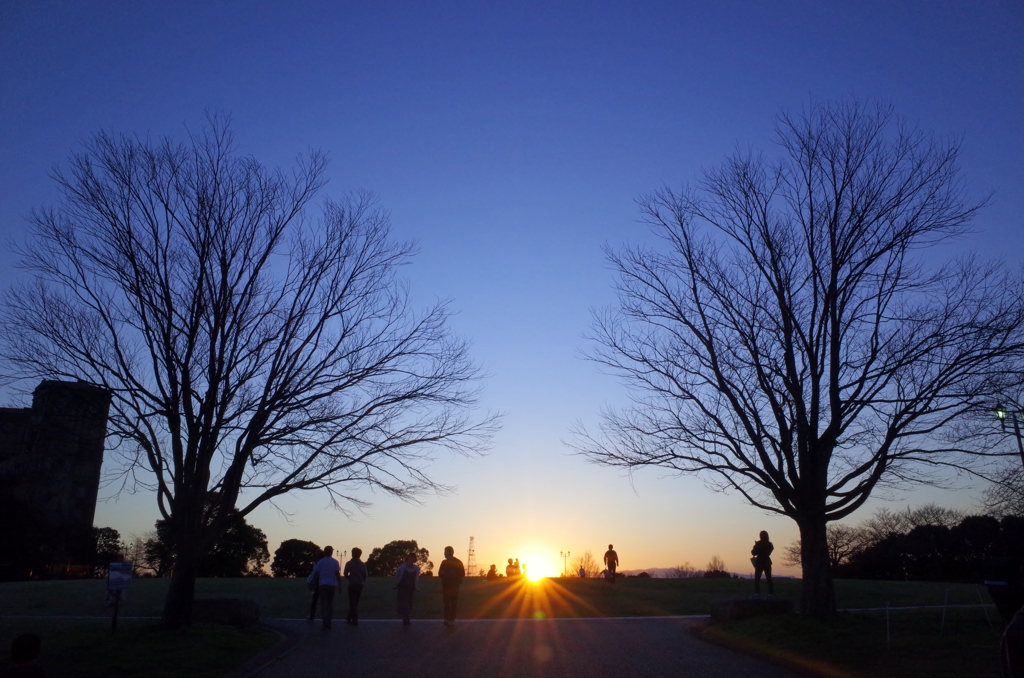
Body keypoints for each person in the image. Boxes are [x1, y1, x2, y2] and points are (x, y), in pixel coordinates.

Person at [309, 545, 341, 629]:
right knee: (330, 603)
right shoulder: (335, 562)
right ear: (331, 552)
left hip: (322, 584)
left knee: (323, 603)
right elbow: (337, 574)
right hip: (332, 585)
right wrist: (340, 585)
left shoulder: (321, 562)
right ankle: (329, 621)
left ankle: (324, 621)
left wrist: (312, 582)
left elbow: (317, 573)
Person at [437, 545, 466, 628]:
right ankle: (446, 618)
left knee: (453, 603)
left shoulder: (458, 562)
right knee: (446, 603)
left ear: (451, 553)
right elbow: (439, 573)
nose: (444, 554)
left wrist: (453, 574)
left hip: (454, 586)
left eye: (445, 552)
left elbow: (462, 573)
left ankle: (452, 619)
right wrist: (445, 574)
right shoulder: (444, 562)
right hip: (445, 585)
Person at [343, 547, 368, 626]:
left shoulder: (349, 563)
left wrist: (349, 578)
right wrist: (362, 581)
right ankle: (350, 617)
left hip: (352, 583)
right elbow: (365, 574)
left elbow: (345, 573)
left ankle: (354, 619)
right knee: (356, 601)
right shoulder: (362, 564)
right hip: (360, 584)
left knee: (352, 602)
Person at [395, 552, 421, 626]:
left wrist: (416, 587)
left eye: (413, 558)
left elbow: (416, 578)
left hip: (411, 588)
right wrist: (396, 584)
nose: (411, 559)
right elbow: (397, 576)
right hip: (402, 587)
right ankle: (406, 617)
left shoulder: (416, 568)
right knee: (404, 602)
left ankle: (407, 616)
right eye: (410, 557)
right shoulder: (402, 567)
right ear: (408, 558)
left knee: (409, 602)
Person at [751, 530, 774, 595]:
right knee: (769, 578)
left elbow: (753, 552)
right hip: (767, 562)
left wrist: (756, 547)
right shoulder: (770, 544)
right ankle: (771, 593)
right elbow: (769, 552)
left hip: (759, 562)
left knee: (757, 579)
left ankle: (757, 593)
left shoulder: (758, 544)